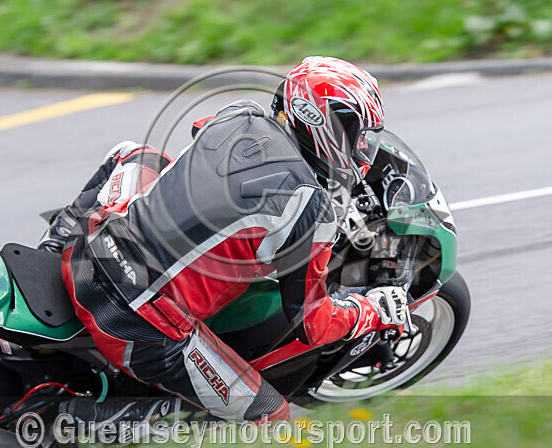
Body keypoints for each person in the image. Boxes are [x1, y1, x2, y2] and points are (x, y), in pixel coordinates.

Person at [40, 57, 408, 423]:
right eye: (355, 132)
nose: (361, 147)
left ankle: (49, 251)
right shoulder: (311, 207)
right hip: (133, 316)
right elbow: (313, 323)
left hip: (90, 244)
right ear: (320, 121)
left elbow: (203, 135)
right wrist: (370, 310)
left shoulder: (239, 112)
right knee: (270, 413)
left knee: (133, 154)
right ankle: (81, 424)